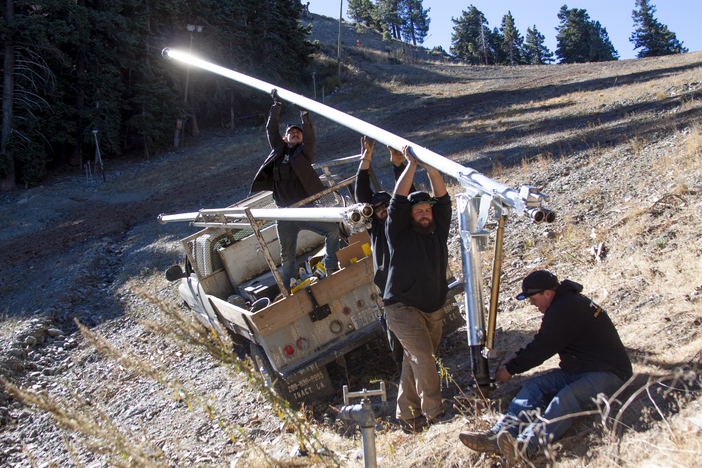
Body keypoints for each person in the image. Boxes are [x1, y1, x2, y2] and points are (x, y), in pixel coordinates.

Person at [459, 270, 632, 467]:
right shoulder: (565, 304)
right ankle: (498, 434)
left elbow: (542, 349)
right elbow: (547, 339)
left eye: (533, 298)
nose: (532, 304)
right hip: (578, 370)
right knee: (535, 386)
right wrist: (518, 356)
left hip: (609, 374)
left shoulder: (565, 308)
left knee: (567, 397)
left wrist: (511, 369)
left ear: (547, 293)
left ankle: (525, 447)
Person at [383, 145, 453, 432]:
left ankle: (408, 417)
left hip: (432, 307)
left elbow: (444, 199)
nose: (425, 214)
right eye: (419, 211)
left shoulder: (438, 229)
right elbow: (398, 200)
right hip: (402, 306)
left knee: (416, 361)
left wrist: (432, 168)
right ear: (409, 216)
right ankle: (436, 414)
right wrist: (411, 164)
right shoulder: (398, 233)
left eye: (427, 210)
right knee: (424, 358)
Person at [250, 90, 340, 289]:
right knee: (287, 254)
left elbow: (310, 137)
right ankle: (291, 284)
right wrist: (277, 104)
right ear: (285, 137)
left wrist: (304, 115)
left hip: (306, 209)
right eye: (291, 132)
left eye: (298, 133)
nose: (295, 134)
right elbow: (270, 128)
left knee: (333, 230)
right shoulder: (277, 151)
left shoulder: (304, 154)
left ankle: (330, 266)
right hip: (284, 214)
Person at [354, 136, 415, 375]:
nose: (382, 210)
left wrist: (399, 164)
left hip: (413, 286)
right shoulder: (376, 228)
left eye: (386, 206)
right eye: (378, 208)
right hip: (391, 294)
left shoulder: (403, 220)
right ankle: (404, 377)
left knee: (422, 337)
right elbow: (361, 194)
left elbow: (409, 191)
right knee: (398, 342)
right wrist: (365, 159)